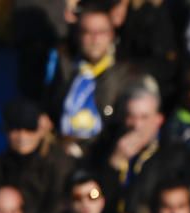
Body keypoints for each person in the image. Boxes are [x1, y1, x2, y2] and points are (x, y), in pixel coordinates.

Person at [49, 4, 136, 156]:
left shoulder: (127, 75)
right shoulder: (65, 69)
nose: (95, 39)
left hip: (102, 156)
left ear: (112, 35)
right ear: (78, 36)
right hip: (62, 153)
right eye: (87, 32)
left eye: (101, 32)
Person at [93, 85, 188, 213]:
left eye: (144, 117)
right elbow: (96, 197)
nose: (136, 125)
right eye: (131, 116)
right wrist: (114, 164)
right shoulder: (106, 146)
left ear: (158, 119)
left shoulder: (174, 155)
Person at [0, 98, 76, 213]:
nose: (22, 136)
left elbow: (58, 203)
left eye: (29, 129)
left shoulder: (59, 163)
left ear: (41, 130)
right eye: (15, 129)